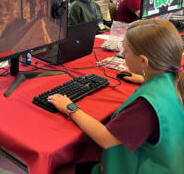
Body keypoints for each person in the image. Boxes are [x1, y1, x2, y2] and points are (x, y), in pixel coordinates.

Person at [49, 19, 184, 174]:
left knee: (60, 170)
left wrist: (70, 107)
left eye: (126, 51)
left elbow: (106, 139)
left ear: (143, 61)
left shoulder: (145, 106)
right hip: (169, 163)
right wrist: (144, 77)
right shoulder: (174, 79)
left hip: (138, 168)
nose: (123, 54)